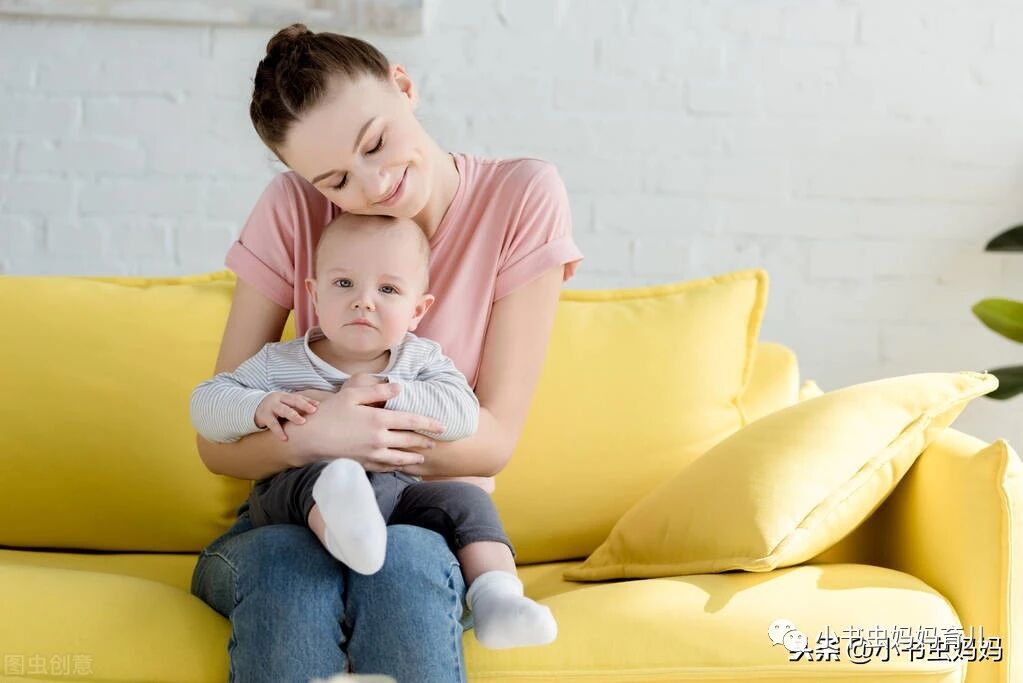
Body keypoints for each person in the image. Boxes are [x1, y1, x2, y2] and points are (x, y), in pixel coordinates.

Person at [189, 22, 584, 683]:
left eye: (374, 143)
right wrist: (318, 438)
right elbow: (215, 443)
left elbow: (493, 440)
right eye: (335, 180)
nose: (372, 186)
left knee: (404, 567)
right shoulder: (291, 208)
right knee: (288, 571)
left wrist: (360, 433)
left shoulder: (521, 197)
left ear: (404, 86)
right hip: (290, 510)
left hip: (430, 518)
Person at [190, 212, 558, 649]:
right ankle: (344, 539)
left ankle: (496, 598)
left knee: (466, 498)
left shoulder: (420, 360)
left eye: (388, 289)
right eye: (344, 284)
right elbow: (206, 404)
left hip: (398, 497)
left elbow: (463, 413)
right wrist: (258, 406)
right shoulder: (279, 363)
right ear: (314, 294)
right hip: (295, 496)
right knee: (316, 475)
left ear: (418, 310)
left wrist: (383, 393)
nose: (364, 301)